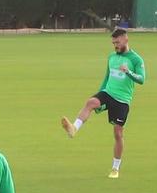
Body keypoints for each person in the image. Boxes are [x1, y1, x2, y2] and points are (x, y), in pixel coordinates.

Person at [61, 26, 144, 179]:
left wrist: (128, 72)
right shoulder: (112, 57)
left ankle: (115, 168)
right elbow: (106, 78)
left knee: (118, 134)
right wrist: (99, 95)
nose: (115, 46)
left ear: (126, 39)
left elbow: (142, 79)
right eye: (113, 43)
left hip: (122, 100)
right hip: (108, 93)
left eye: (117, 42)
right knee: (90, 102)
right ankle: (74, 128)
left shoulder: (136, 59)